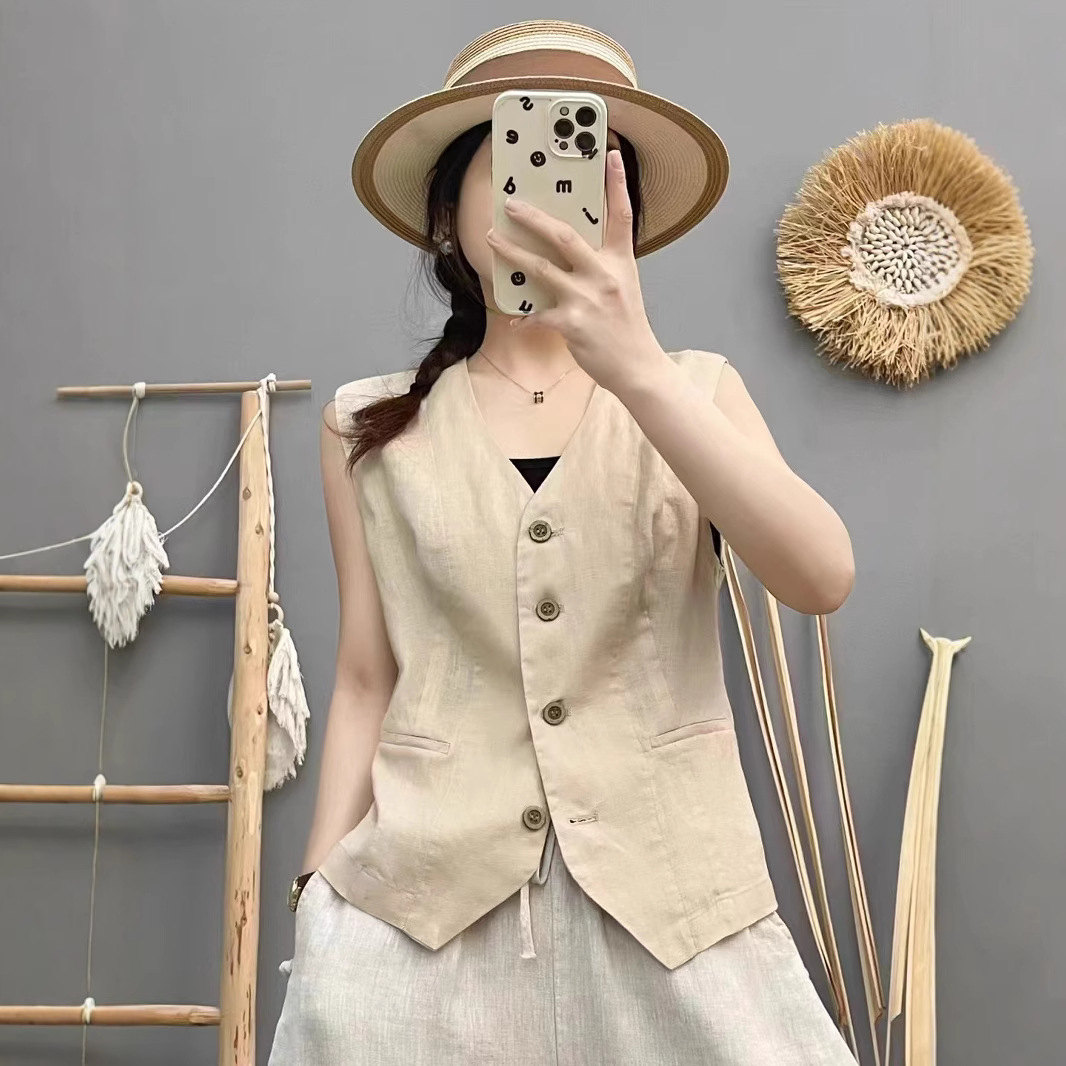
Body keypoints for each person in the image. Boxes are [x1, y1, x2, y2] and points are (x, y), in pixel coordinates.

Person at [268, 18, 857, 1066]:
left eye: (584, 168)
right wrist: (315, 892)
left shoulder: (696, 389)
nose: (544, 197)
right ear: (447, 213)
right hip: (421, 917)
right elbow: (363, 675)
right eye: (512, 166)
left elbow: (820, 576)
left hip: (678, 911)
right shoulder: (366, 426)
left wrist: (635, 365)